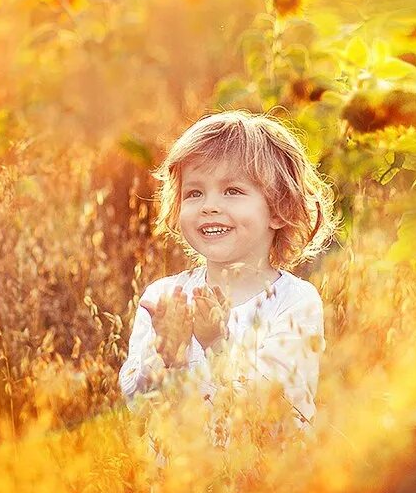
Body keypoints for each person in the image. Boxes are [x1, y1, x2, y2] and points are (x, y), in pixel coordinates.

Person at [118, 110, 336, 442]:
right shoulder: (165, 297)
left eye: (232, 191)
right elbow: (135, 404)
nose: (209, 206)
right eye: (194, 193)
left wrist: (217, 346)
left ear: (278, 210)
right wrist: (166, 356)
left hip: (259, 485)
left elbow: (274, 414)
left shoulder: (294, 303)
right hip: (176, 482)